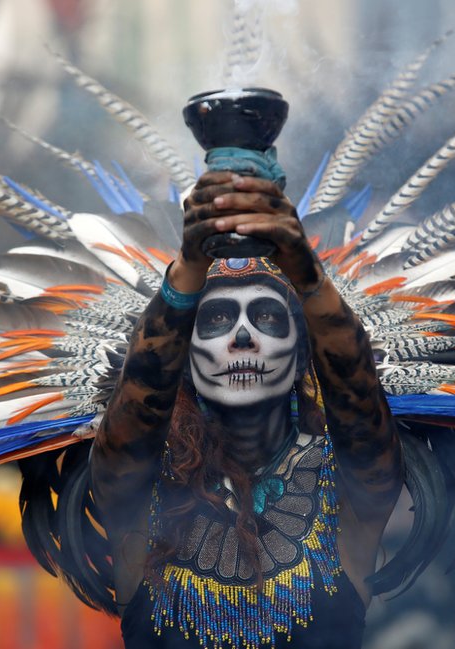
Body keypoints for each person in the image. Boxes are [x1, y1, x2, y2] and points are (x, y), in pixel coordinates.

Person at [90, 170, 403, 648]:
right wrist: (186, 272)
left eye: (267, 317)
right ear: (185, 358)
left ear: (302, 356)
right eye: (215, 319)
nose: (241, 336)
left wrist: (305, 270)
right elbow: (135, 411)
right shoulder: (142, 485)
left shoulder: (346, 484)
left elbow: (359, 404)